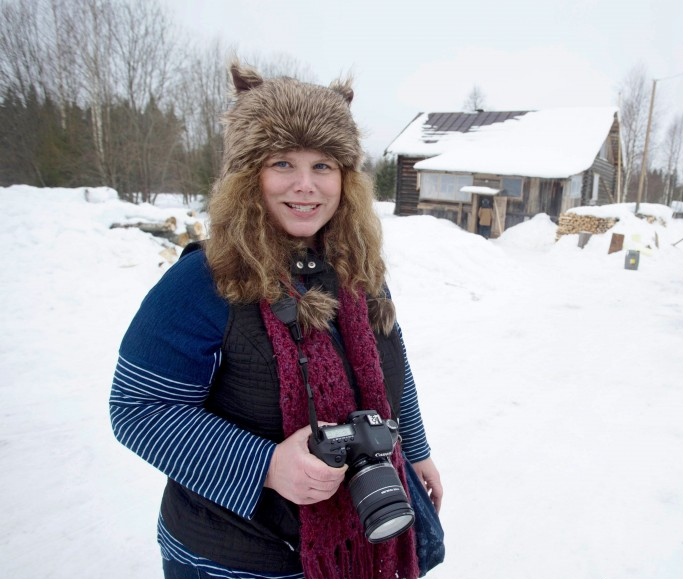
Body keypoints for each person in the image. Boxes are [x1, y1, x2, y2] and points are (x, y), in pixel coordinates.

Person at [109, 60, 442, 579]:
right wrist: (265, 466)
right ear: (248, 175)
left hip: (353, 545)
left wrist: (414, 451)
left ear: (346, 178)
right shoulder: (205, 280)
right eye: (283, 163)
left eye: (323, 165)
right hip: (232, 558)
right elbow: (138, 407)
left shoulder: (357, 269)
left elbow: (392, 366)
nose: (306, 185)